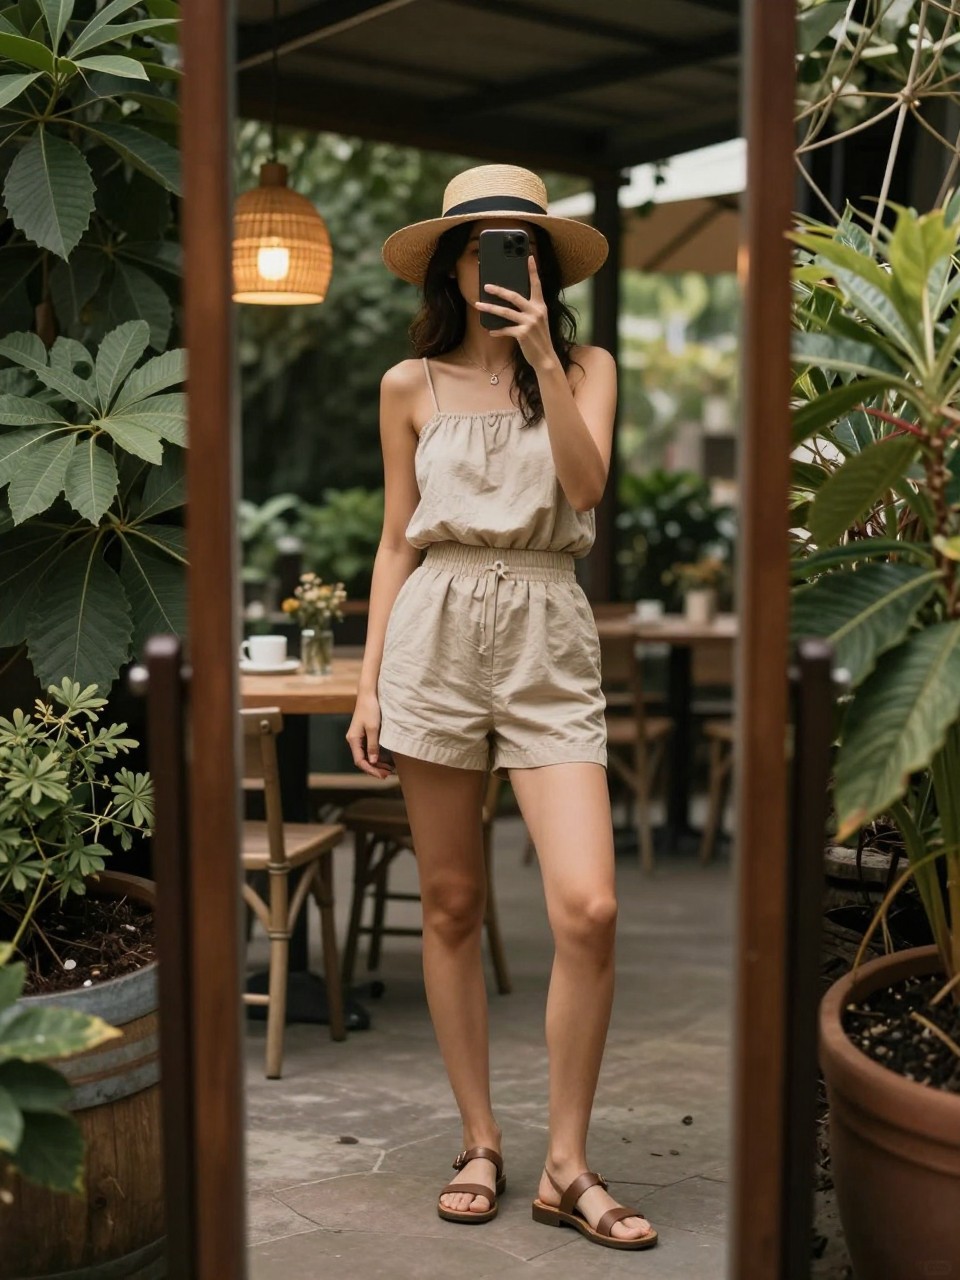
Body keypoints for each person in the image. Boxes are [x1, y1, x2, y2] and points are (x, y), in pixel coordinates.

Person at [346, 163, 658, 1252]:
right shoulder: (408, 385)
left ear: (541, 263)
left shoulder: (586, 365)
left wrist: (538, 361)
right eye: (481, 244)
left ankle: (568, 1163)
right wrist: (368, 675)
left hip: (545, 628)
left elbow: (584, 489)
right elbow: (395, 538)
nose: (500, 262)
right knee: (450, 904)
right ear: (453, 261)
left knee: (590, 907)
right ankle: (480, 1138)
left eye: (518, 244)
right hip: (432, 630)